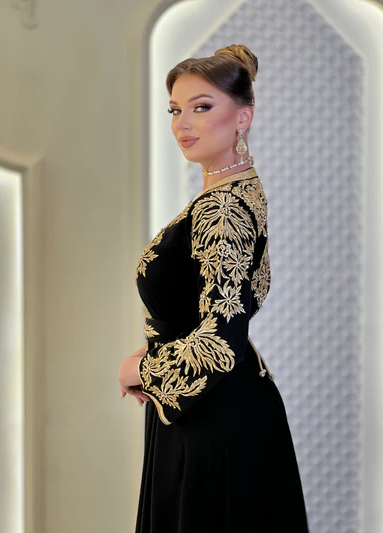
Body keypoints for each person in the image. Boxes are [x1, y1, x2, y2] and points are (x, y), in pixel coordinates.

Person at [119, 43, 309, 533]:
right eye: (175, 110)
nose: (183, 124)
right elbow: (209, 306)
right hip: (215, 408)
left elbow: (223, 338)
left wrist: (144, 368)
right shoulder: (235, 191)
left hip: (213, 420)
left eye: (201, 107)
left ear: (243, 117)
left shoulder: (222, 207)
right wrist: (157, 348)